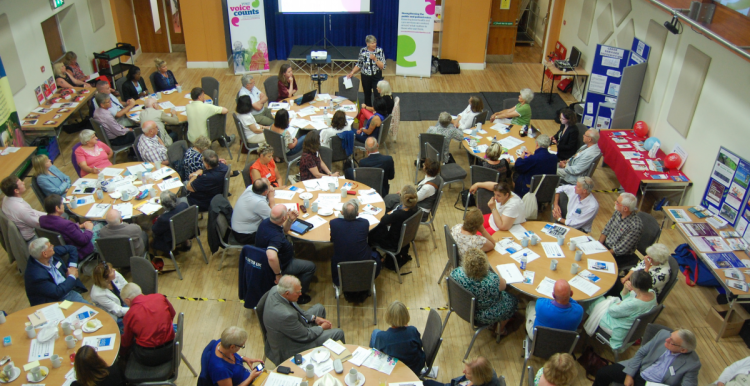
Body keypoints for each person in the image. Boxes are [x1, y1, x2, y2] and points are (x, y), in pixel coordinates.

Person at [262, 276, 345, 364]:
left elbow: (295, 307)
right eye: (298, 292)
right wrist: (321, 328)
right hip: (292, 346)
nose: (301, 294)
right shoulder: (286, 315)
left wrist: (314, 318)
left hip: (293, 328)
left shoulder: (276, 289)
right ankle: (340, 362)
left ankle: (323, 349)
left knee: (319, 308)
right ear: (287, 293)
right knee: (338, 333)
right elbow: (306, 335)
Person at [592, 329, 700, 386]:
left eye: (672, 341)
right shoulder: (663, 335)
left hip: (653, 384)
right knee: (602, 373)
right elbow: (641, 353)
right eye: (670, 336)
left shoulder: (692, 363)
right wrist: (629, 375)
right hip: (640, 368)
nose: (667, 340)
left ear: (683, 350)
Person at [255, 205, 317, 303]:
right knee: (311, 266)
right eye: (287, 212)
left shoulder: (267, 222)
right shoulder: (275, 237)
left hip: (266, 259)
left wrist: (290, 220)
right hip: (283, 264)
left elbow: (284, 230)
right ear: (283, 217)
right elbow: (271, 256)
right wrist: (278, 274)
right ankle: (299, 296)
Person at [451, 248, 518, 335]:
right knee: (513, 300)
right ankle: (500, 330)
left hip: (463, 307)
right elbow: (504, 285)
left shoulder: (456, 273)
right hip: (481, 315)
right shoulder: (492, 280)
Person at [584, 270, 657, 348]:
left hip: (615, 326)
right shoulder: (652, 293)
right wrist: (625, 290)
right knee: (603, 298)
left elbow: (612, 311)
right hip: (629, 323)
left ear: (637, 288)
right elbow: (628, 300)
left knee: (593, 298)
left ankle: (582, 322)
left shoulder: (634, 304)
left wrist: (618, 304)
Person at [120, 283, 176, 366]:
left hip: (148, 356)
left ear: (127, 300)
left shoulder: (130, 314)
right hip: (172, 348)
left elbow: (127, 342)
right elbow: (173, 313)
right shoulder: (160, 297)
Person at [330, 199, 381, 286]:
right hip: (363, 264)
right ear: (357, 214)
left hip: (341, 264)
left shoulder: (334, 223)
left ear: (342, 213)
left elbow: (333, 239)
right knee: (376, 256)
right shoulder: (364, 223)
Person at [24, 237, 87, 306]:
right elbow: (57, 293)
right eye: (50, 246)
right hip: (56, 302)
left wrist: (72, 267)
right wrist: (72, 276)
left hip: (69, 289)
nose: (53, 246)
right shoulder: (36, 276)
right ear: (44, 254)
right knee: (93, 311)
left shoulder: (50, 254)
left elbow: (72, 248)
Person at [369, 300, 425, 374]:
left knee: (375, 333)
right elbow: (420, 345)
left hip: (393, 370)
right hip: (415, 368)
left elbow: (378, 350)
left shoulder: (382, 337)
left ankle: (371, 361)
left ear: (388, 316)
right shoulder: (413, 330)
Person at [369, 185, 420, 264]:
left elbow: (383, 220)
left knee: (370, 232)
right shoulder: (415, 207)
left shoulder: (398, 214)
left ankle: (376, 257)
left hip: (393, 243)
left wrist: (390, 212)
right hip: (405, 238)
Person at [198, 326, 264, 386]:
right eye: (241, 346)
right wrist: (251, 378)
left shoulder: (221, 344)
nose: (241, 347)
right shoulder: (221, 370)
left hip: (247, 376)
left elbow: (232, 354)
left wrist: (245, 358)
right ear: (232, 347)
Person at [599, 192, 643, 267]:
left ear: (625, 209)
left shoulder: (635, 226)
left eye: (617, 202)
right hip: (606, 245)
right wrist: (598, 245)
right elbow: (607, 229)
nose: (615, 203)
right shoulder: (618, 212)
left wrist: (603, 255)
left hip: (618, 255)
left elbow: (620, 248)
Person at [232, 179, 274, 245]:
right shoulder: (259, 203)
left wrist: (268, 189)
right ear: (265, 191)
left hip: (238, 227)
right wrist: (271, 198)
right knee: (275, 233)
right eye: (269, 184)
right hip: (244, 235)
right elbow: (274, 218)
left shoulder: (250, 188)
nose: (270, 183)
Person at [347, 35, 386, 107]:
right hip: (365, 76)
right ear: (367, 44)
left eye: (375, 43)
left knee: (377, 94)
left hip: (376, 76)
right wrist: (352, 72)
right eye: (372, 43)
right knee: (367, 94)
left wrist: (375, 59)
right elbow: (359, 64)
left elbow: (383, 66)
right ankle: (368, 112)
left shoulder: (380, 51)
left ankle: (378, 111)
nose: (374, 44)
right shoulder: (363, 51)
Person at [90, 262, 129, 332]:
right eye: (111, 271)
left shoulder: (115, 275)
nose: (114, 270)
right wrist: (134, 308)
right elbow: (117, 310)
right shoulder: (98, 294)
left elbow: (127, 287)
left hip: (124, 303)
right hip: (115, 314)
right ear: (105, 279)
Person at [424, 357, 501, 386]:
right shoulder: (488, 372)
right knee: (426, 383)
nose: (463, 371)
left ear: (477, 378)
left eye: (467, 373)